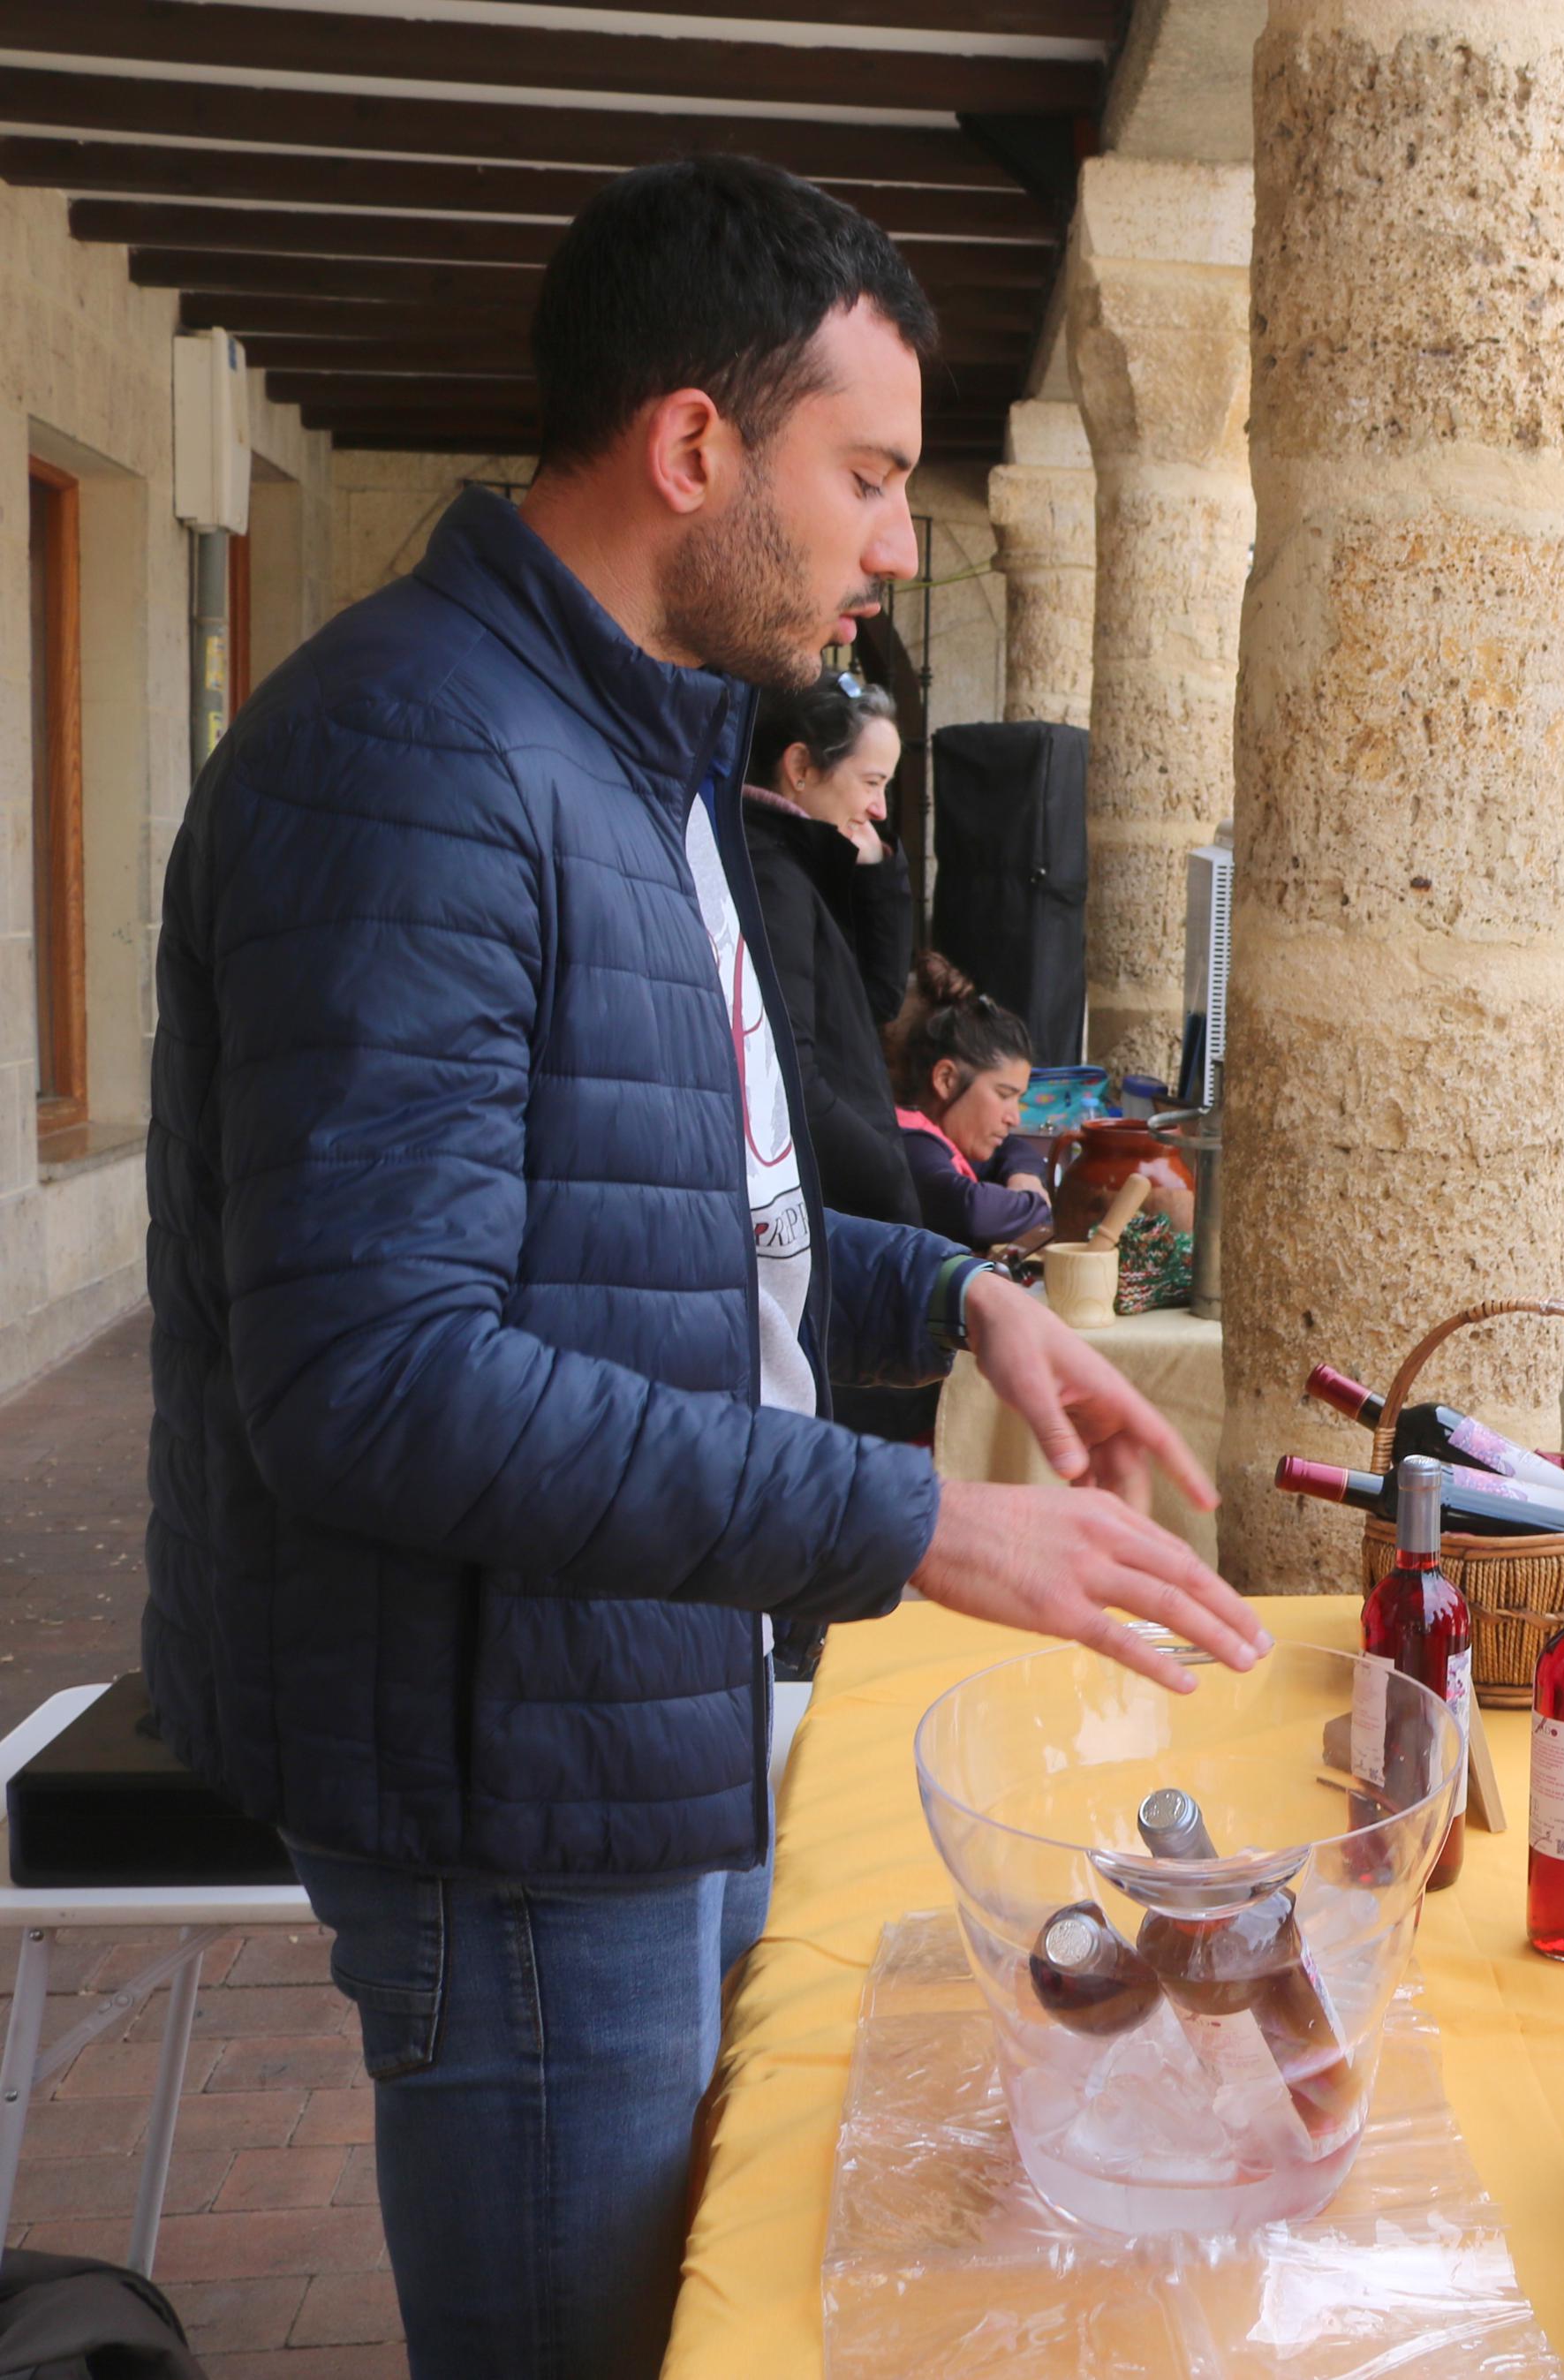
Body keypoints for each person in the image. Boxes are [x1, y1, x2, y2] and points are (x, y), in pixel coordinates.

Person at [140, 157, 1273, 2380]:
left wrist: (960, 1301)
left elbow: (682, 1230)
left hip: (621, 1704)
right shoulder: (418, 761)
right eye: (858, 474)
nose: (891, 542)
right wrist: (915, 1519)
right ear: (689, 449)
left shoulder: (618, 741)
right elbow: (375, 1377)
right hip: (511, 1783)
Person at [743, 669, 915, 1232]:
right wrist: (889, 1178)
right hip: (835, 1209)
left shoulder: (800, 866)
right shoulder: (774, 878)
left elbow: (875, 1002)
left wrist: (877, 879)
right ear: (799, 769)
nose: (880, 808)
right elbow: (789, 1076)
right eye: (871, 782)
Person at [892, 952, 1058, 1251]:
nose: (1014, 1118)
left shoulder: (949, 1136)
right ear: (946, 1079)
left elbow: (1013, 1149)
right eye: (1004, 1095)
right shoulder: (910, 1143)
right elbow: (972, 1212)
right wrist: (1035, 1205)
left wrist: (1024, 1175)